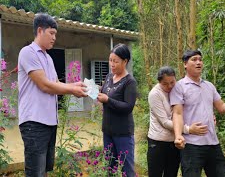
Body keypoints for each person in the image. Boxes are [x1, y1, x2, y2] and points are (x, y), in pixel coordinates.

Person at [18, 13, 87, 177]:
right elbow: (45, 85)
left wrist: (74, 85)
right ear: (40, 31)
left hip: (49, 122)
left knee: (45, 170)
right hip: (34, 122)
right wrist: (71, 90)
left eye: (55, 34)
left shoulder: (48, 58)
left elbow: (55, 83)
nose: (54, 38)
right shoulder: (28, 52)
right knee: (35, 172)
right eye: (51, 33)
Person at [170, 50, 225, 177]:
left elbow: (222, 107)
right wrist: (178, 135)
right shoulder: (179, 87)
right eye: (194, 59)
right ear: (185, 64)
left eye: (200, 60)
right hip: (191, 145)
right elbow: (177, 114)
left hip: (213, 144)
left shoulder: (209, 86)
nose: (198, 62)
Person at [147, 66, 209, 177]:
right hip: (158, 143)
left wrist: (208, 117)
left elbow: (189, 110)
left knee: (171, 174)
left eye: (172, 82)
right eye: (165, 84)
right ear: (159, 82)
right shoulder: (155, 94)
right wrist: (188, 129)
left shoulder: (179, 90)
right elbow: (165, 122)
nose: (169, 86)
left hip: (175, 142)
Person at [97, 43, 137, 177]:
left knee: (127, 169)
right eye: (110, 60)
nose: (112, 64)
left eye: (116, 61)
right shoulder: (109, 77)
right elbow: (103, 93)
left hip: (123, 133)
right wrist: (94, 91)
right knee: (110, 167)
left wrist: (108, 100)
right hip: (107, 131)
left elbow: (128, 107)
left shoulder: (129, 82)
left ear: (125, 61)